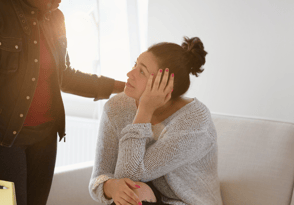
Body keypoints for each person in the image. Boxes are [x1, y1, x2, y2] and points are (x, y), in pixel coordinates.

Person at [0, 0, 125, 204]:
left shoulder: (56, 17)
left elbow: (64, 75)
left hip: (45, 140)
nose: (60, 0)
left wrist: (124, 88)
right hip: (3, 141)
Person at [89, 36, 223, 205]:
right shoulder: (117, 107)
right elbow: (99, 177)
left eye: (142, 71)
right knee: (131, 192)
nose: (129, 74)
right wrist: (111, 186)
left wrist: (144, 110)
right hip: (147, 197)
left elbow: (130, 173)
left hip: (185, 202)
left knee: (132, 190)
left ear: (165, 86)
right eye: (135, 65)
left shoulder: (194, 121)